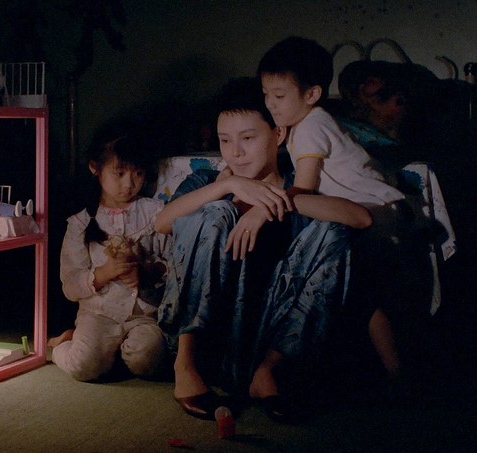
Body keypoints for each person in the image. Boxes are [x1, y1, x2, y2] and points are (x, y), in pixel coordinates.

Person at [155, 77, 372, 421]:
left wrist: (272, 203)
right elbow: (162, 222)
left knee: (333, 230)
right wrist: (228, 185)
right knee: (215, 213)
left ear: (279, 134)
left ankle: (268, 371)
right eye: (225, 140)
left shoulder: (299, 186)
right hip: (213, 336)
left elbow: (360, 218)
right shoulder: (206, 182)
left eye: (248, 138)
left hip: (273, 337)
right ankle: (186, 364)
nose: (235, 152)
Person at [257, 36, 428, 381]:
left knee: (355, 284)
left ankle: (385, 370)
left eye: (279, 96)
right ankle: (396, 371)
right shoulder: (311, 122)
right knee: (367, 293)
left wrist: (263, 202)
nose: (270, 104)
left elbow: (304, 187)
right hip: (384, 207)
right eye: (265, 95)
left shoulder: (311, 126)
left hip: (376, 212)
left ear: (311, 94)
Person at [49, 132, 170, 382]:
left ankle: (115, 353)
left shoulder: (155, 213)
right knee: (84, 367)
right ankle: (66, 343)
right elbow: (70, 285)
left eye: (138, 174)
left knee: (148, 359)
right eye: (120, 173)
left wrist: (147, 272)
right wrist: (104, 273)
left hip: (144, 315)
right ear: (95, 168)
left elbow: (173, 262)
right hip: (98, 313)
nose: (129, 184)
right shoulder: (82, 222)